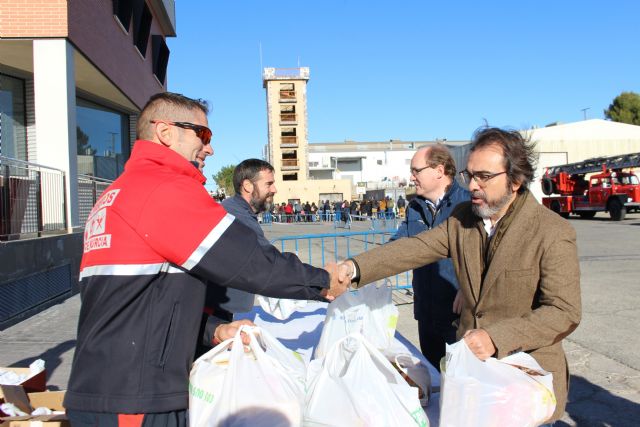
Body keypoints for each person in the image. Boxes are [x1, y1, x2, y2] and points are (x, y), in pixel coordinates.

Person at [64, 92, 347, 426]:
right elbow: (249, 261)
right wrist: (323, 281)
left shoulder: (120, 191)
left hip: (108, 386)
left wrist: (215, 330)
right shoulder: (163, 189)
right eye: (203, 134)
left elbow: (143, 302)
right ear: (165, 132)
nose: (210, 147)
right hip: (136, 395)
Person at [336, 127, 581, 424]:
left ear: (515, 179)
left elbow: (563, 311)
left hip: (525, 385)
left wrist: (496, 337)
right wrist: (352, 268)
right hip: (471, 382)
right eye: (470, 175)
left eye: (484, 177)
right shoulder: (462, 219)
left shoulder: (551, 232)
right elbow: (414, 248)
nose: (474, 185)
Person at [391, 145, 469, 370]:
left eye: (416, 170)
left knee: (462, 380)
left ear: (439, 170)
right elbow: (398, 245)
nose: (411, 177)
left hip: (457, 315)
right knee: (434, 380)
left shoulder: (467, 205)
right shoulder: (415, 206)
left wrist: (468, 288)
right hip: (426, 312)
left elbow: (486, 254)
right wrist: (359, 268)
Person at [198, 159, 279, 355]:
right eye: (268, 183)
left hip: (219, 311)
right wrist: (320, 283)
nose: (274, 189)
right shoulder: (237, 217)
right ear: (248, 186)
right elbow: (270, 263)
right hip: (211, 313)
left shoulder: (236, 210)